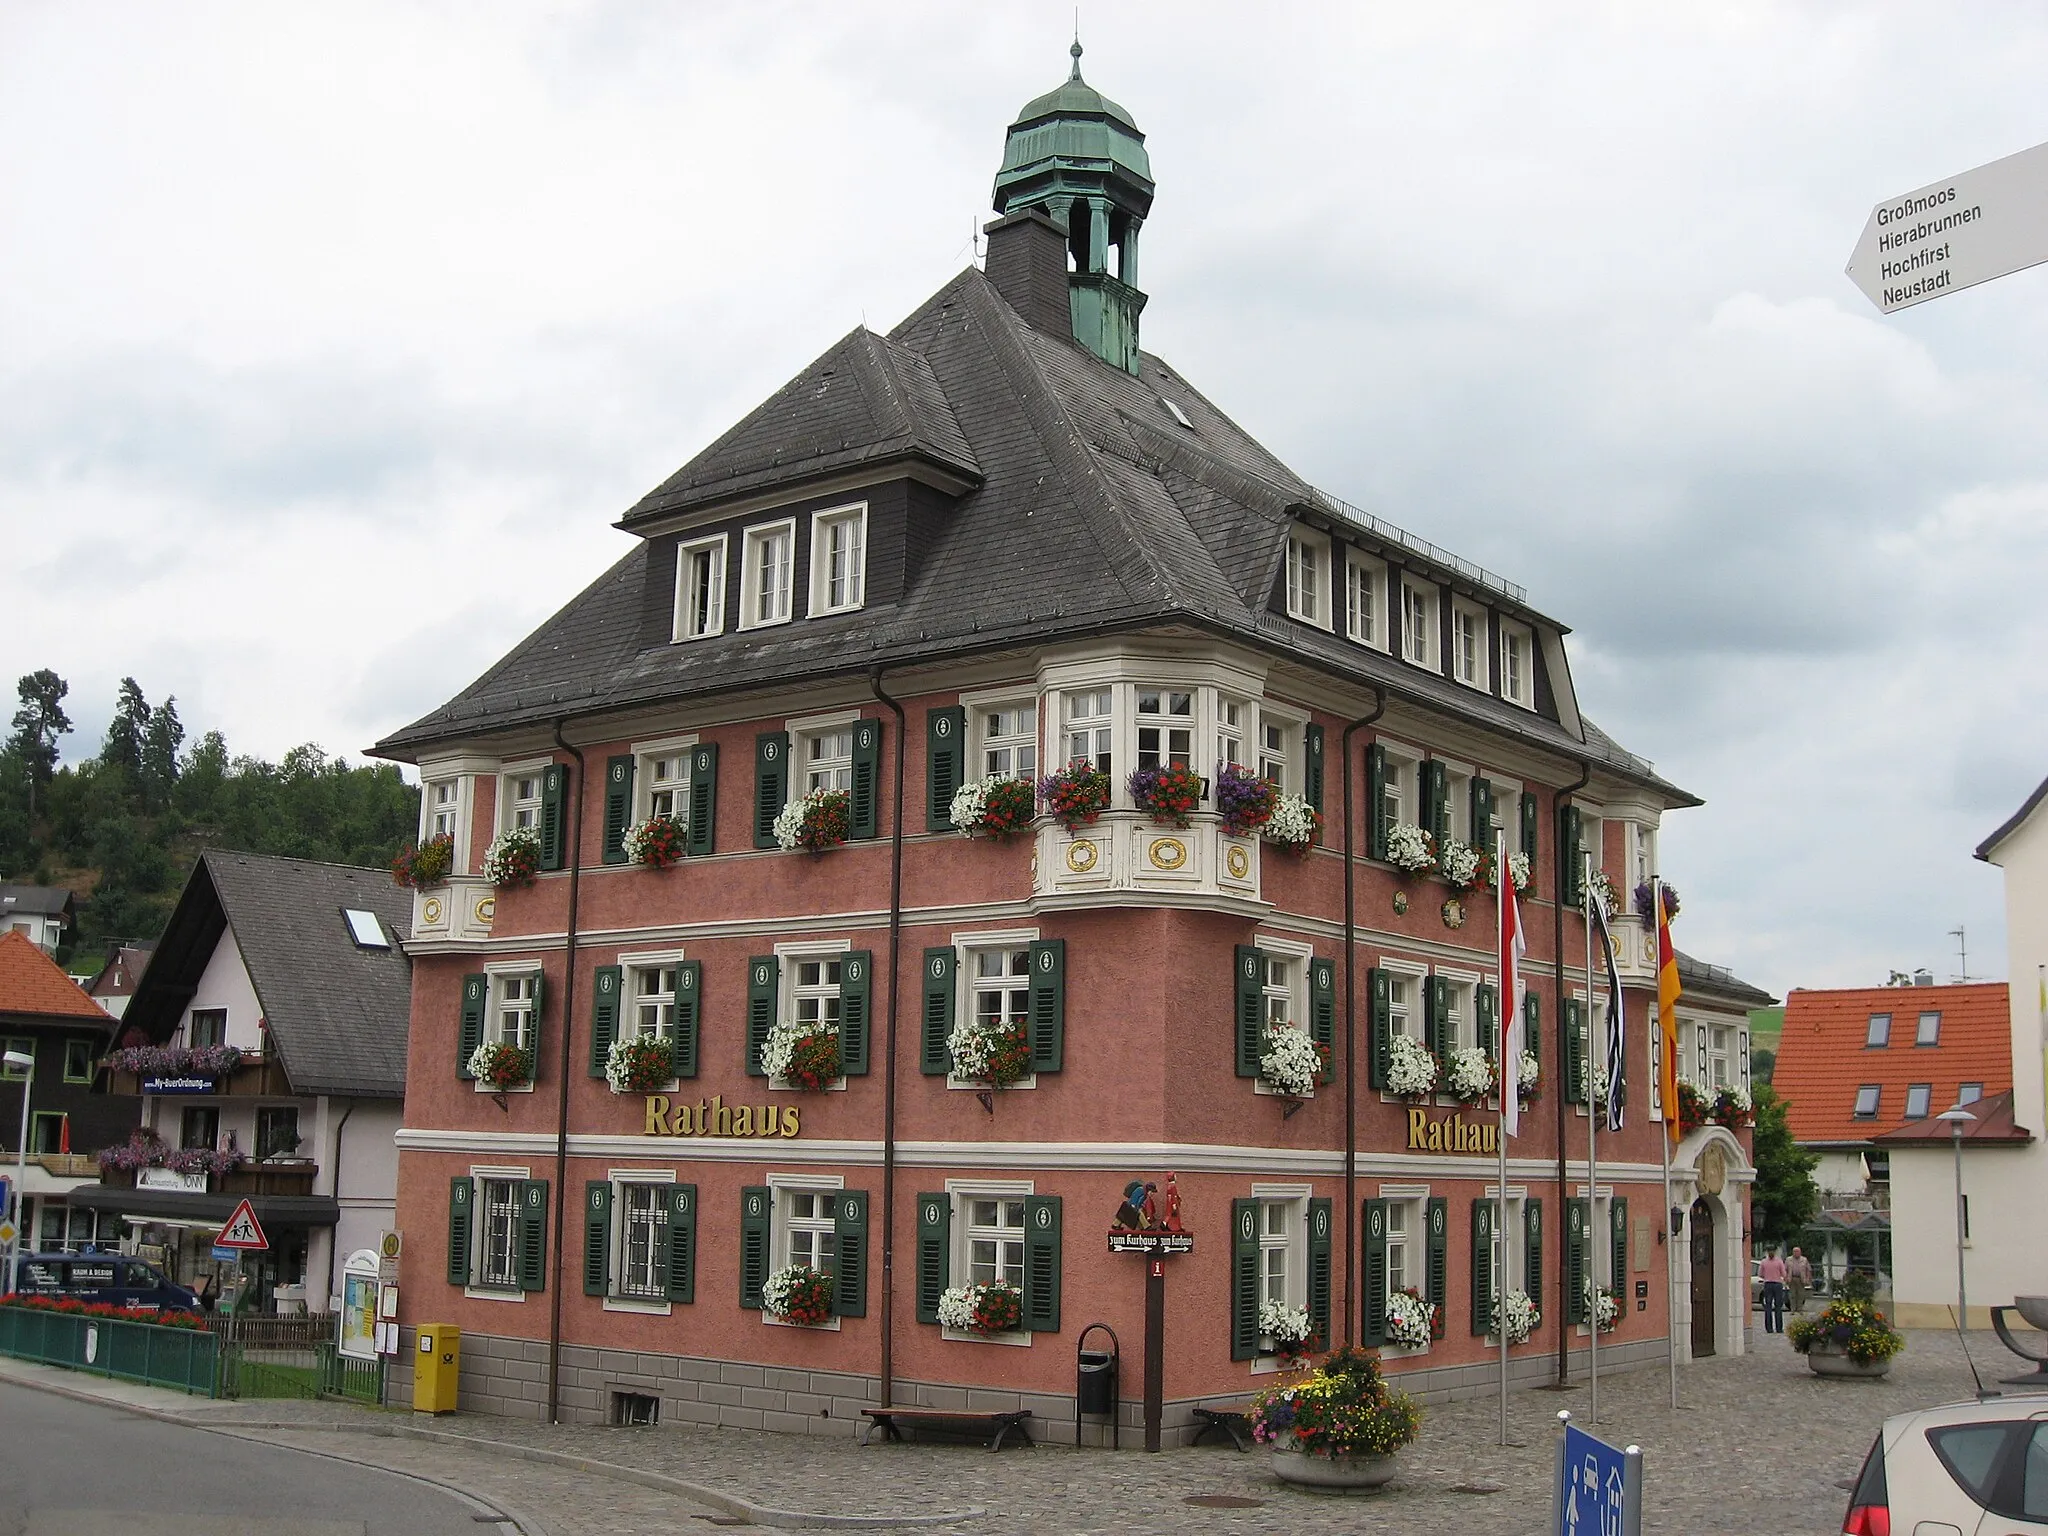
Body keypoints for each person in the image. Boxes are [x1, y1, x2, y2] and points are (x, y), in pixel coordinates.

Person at [1759, 1248, 1788, 1334]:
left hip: (1768, 1284)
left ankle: (1769, 1328)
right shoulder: (1779, 1262)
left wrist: (1767, 1277)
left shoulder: (1764, 1262)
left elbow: (1760, 1274)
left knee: (1768, 1306)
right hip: (1777, 1284)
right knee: (1778, 1306)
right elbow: (1784, 1274)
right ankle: (1779, 1328)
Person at [1786, 1247, 1812, 1316]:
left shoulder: (1804, 1260)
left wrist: (1807, 1278)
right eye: (1794, 1251)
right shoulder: (1788, 1259)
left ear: (1800, 1252)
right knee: (1792, 1295)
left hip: (1801, 1279)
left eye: (1797, 1251)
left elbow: (1808, 1269)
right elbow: (1785, 1269)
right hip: (1792, 1278)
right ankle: (1792, 1310)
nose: (1796, 1253)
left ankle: (1800, 1309)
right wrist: (1786, 1278)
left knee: (1801, 1295)